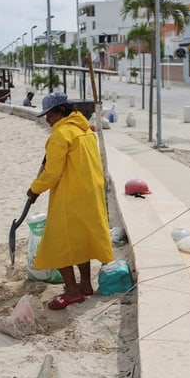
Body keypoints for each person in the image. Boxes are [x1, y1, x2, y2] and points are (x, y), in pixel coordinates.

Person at [27, 92, 114, 310]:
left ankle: (73, 292)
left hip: (71, 195)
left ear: (61, 112)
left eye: (50, 115)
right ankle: (85, 285)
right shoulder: (85, 131)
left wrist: (34, 189)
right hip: (90, 193)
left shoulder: (61, 135)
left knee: (60, 243)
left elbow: (52, 172)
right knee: (81, 239)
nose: (47, 120)